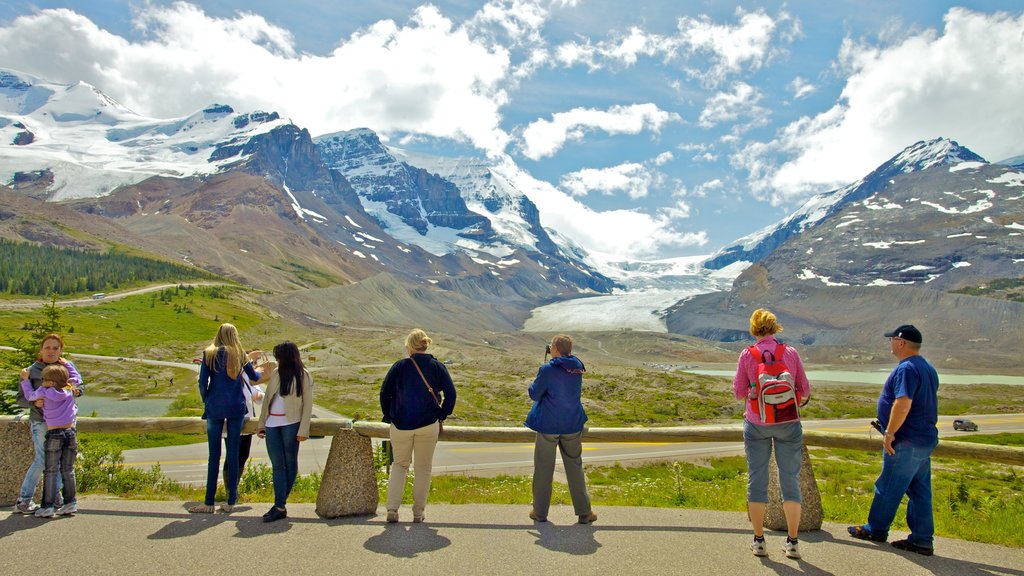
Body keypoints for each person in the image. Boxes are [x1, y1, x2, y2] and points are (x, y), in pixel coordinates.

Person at [848, 324, 939, 556]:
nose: (890, 344)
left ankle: (876, 529)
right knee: (919, 490)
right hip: (923, 439)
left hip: (906, 440)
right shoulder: (927, 367)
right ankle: (921, 539)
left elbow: (903, 402)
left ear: (900, 342)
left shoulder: (907, 368)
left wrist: (889, 433)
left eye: (892, 340)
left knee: (888, 486)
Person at [733, 309, 810, 559]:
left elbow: (738, 392)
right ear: (776, 328)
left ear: (754, 329)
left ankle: (759, 540)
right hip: (789, 423)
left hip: (757, 423)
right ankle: (793, 542)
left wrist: (754, 391)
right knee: (790, 481)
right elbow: (805, 390)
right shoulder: (790, 353)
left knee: (757, 480)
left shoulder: (748, 354)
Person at [379, 329, 456, 523]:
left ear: (409, 347)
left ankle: (392, 509)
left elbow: (384, 393)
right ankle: (418, 512)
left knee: (399, 465)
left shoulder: (399, 367)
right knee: (423, 468)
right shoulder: (437, 367)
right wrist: (442, 414)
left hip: (400, 424)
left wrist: (389, 415)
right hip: (428, 424)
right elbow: (451, 394)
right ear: (425, 345)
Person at [192, 323, 266, 514]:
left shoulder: (209, 353)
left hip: (214, 407)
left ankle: (209, 502)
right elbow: (254, 376)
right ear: (234, 335)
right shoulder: (239, 354)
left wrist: (206, 399)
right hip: (236, 408)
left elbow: (202, 383)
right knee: (233, 454)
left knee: (213, 455)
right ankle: (231, 500)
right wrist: (264, 372)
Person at [525, 334, 597, 525]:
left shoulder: (548, 369)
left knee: (543, 468)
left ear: (555, 348)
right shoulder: (577, 367)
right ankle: (584, 512)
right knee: (574, 467)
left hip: (549, 424)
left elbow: (534, 394)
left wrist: (536, 380)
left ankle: (540, 513)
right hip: (572, 423)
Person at [14, 333, 84, 515]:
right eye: (48, 347)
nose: (51, 351)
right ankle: (25, 498)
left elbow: (80, 387)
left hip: (65, 422)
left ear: (61, 350)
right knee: (42, 460)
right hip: (41, 421)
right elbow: (22, 398)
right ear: (41, 350)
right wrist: (34, 403)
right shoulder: (31, 370)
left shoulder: (67, 367)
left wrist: (72, 392)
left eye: (55, 348)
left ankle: (55, 498)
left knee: (62, 462)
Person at [256, 341, 313, 522]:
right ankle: (280, 504)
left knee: (289, 461)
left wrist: (303, 428)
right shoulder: (275, 373)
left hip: (292, 423)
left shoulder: (303, 375)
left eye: (279, 356)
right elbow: (267, 401)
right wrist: (262, 423)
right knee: (277, 464)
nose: (277, 360)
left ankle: (279, 504)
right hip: (272, 423)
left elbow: (308, 405)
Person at [19, 364, 79, 518]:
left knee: (50, 470)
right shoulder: (70, 389)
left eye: (44, 379)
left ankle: (48, 506)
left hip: (54, 433)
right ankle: (70, 503)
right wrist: (69, 366)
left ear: (51, 382)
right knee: (68, 470)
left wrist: (25, 380)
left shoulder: (44, 392)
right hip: (70, 432)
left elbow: (29, 396)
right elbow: (77, 378)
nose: (42, 381)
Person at [224, 367, 265, 484]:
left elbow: (259, 393)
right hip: (231, 419)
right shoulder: (225, 374)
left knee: (243, 454)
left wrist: (258, 396)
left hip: (248, 420)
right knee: (232, 455)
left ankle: (234, 485)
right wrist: (253, 395)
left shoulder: (246, 375)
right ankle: (230, 489)